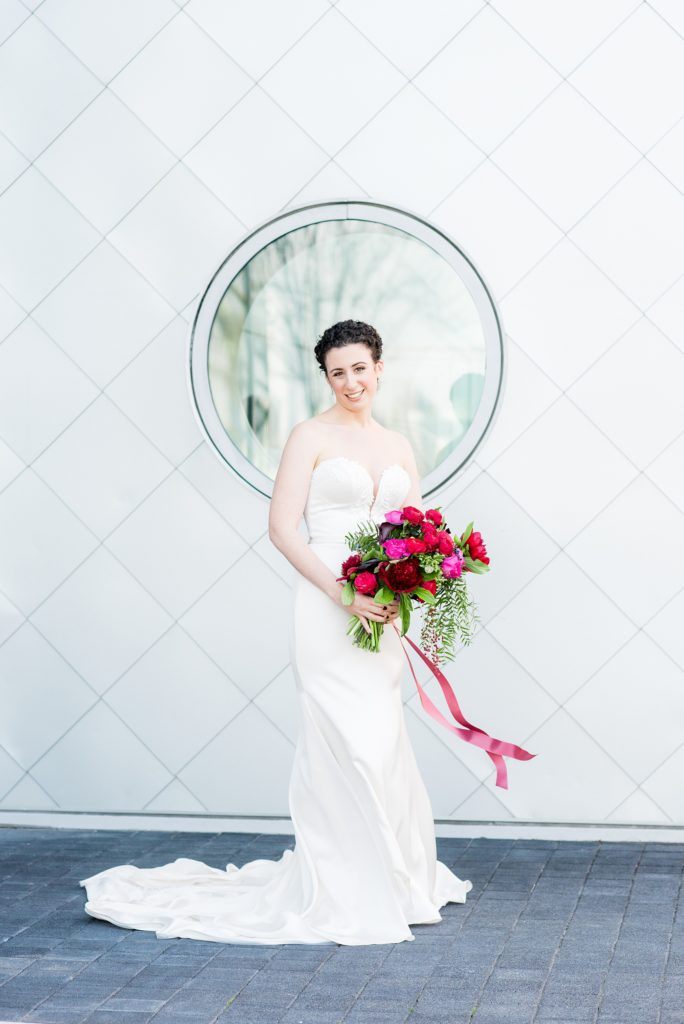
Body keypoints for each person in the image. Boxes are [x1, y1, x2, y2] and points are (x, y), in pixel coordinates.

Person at [78, 319, 472, 944]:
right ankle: (344, 883)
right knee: (344, 742)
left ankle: (396, 877)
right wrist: (345, 594)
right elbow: (283, 529)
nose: (351, 382)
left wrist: (404, 589)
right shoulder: (308, 435)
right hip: (327, 606)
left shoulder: (399, 445)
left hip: (383, 614)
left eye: (360, 368)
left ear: (379, 368)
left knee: (383, 739)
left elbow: (413, 527)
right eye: (337, 372)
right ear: (326, 376)